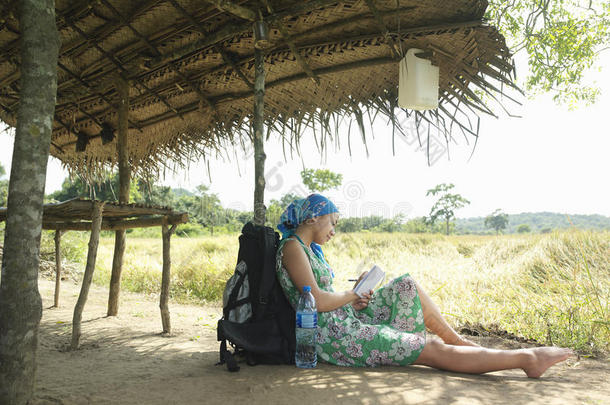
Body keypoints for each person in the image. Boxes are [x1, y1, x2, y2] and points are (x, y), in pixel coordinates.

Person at [275, 193, 572, 377]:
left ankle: (458, 342)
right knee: (428, 347)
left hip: (344, 318)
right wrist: (350, 294)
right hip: (333, 336)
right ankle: (526, 359)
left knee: (407, 285)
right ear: (314, 217)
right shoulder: (292, 248)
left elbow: (326, 297)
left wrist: (354, 299)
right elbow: (314, 300)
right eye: (333, 222)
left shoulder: (309, 249)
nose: (334, 231)